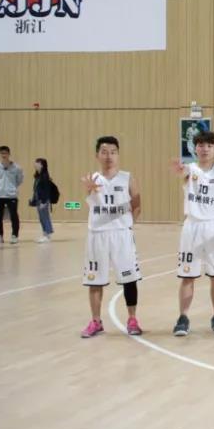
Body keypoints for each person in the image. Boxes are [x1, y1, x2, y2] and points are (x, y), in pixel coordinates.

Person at [171, 131, 214, 336]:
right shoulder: (190, 169)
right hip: (192, 227)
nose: (205, 149)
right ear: (195, 148)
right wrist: (180, 171)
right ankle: (183, 318)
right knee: (187, 275)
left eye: (209, 145)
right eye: (200, 145)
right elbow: (181, 174)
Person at [79, 136, 144, 338]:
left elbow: (137, 205)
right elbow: (88, 200)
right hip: (97, 235)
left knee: (129, 278)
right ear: (97, 155)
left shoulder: (127, 178)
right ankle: (96, 321)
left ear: (118, 154)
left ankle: (132, 319)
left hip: (121, 235)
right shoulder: (92, 180)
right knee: (95, 280)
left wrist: (127, 226)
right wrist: (89, 189)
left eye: (113, 152)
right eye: (104, 152)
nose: (109, 156)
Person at [0, 145, 23, 244]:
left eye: (5, 153)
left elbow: (19, 180)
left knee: (14, 216)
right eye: (2, 153)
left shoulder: (17, 167)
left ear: (9, 154)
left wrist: (11, 187)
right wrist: (0, 187)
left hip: (11, 195)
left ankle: (14, 236)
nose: (3, 155)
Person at [31, 158, 57, 243]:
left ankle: (47, 235)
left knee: (45, 217)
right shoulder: (37, 176)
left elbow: (46, 190)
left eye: (37, 163)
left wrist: (44, 201)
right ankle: (44, 233)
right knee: (41, 218)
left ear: (42, 165)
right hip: (38, 199)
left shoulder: (45, 176)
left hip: (43, 200)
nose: (35, 164)